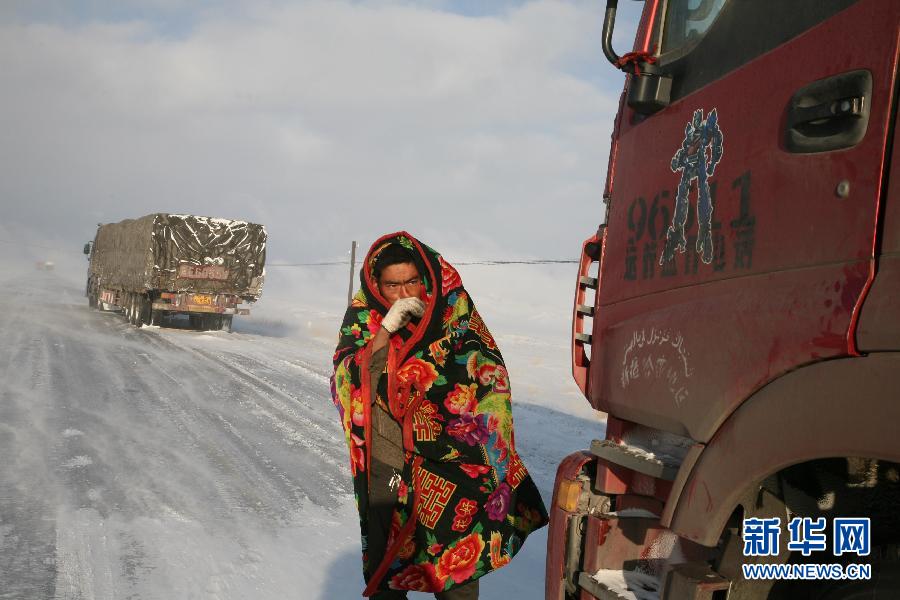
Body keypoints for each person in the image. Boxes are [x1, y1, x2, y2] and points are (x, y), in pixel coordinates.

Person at [332, 232, 548, 599]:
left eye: (412, 282)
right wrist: (386, 330)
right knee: (387, 564)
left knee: (455, 574)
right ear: (376, 285)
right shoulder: (365, 319)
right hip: (390, 457)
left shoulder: (455, 314)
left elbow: (489, 380)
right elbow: (350, 379)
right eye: (393, 286)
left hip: (453, 464)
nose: (404, 294)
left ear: (426, 278)